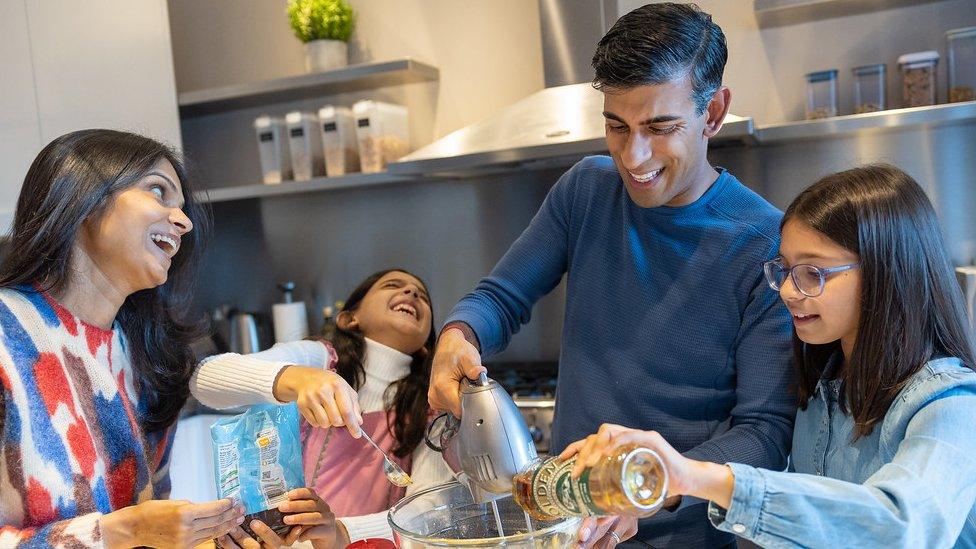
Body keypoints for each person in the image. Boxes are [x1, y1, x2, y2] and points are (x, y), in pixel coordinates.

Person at [427, 3, 794, 547]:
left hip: (685, 536)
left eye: (659, 127)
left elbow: (764, 434)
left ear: (713, 114)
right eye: (616, 127)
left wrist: (646, 488)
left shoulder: (765, 244)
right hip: (574, 524)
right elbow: (500, 299)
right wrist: (458, 335)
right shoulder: (586, 190)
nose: (632, 155)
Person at [565, 164, 976, 548]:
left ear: (886, 272)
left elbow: (902, 526)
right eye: (785, 269)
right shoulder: (824, 389)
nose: (787, 291)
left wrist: (691, 475)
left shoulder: (950, 405)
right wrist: (655, 490)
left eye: (813, 273)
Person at [0, 129, 245, 548]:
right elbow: (134, 530)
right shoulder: (8, 333)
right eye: (157, 190)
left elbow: (152, 524)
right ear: (83, 197)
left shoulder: (145, 359)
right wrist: (124, 532)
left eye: (181, 207)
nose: (183, 222)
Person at [192, 269, 454, 548]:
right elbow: (204, 379)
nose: (411, 293)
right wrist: (298, 379)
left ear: (426, 347)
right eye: (393, 285)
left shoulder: (432, 409)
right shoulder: (318, 358)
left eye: (421, 296)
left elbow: (429, 510)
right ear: (349, 318)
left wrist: (340, 532)